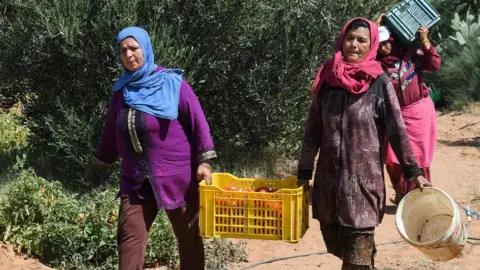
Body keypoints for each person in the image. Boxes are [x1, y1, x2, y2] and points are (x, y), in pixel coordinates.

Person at [296, 18, 432, 270]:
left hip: (363, 185)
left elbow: (397, 130)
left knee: (355, 257)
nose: (354, 45)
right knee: (336, 242)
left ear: (372, 45)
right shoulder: (327, 79)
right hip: (328, 185)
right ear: (341, 41)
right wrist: (304, 172)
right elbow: (313, 130)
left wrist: (413, 171)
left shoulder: (379, 82)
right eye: (349, 39)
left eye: (361, 40)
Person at [83, 26, 217, 270]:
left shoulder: (173, 84)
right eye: (123, 50)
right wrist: (99, 165)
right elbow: (111, 133)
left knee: (189, 241)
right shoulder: (121, 91)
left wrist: (204, 162)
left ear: (145, 48)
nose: (128, 54)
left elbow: (198, 124)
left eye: (133, 48)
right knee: (129, 239)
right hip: (136, 180)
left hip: (179, 179)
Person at [375, 14, 441, 204]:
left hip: (419, 111)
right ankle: (402, 190)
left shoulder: (411, 55)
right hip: (393, 115)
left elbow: (434, 64)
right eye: (379, 44)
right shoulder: (376, 65)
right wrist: (374, 26)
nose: (384, 47)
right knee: (392, 157)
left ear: (393, 39)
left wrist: (425, 40)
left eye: (387, 42)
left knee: (418, 155)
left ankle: (417, 196)